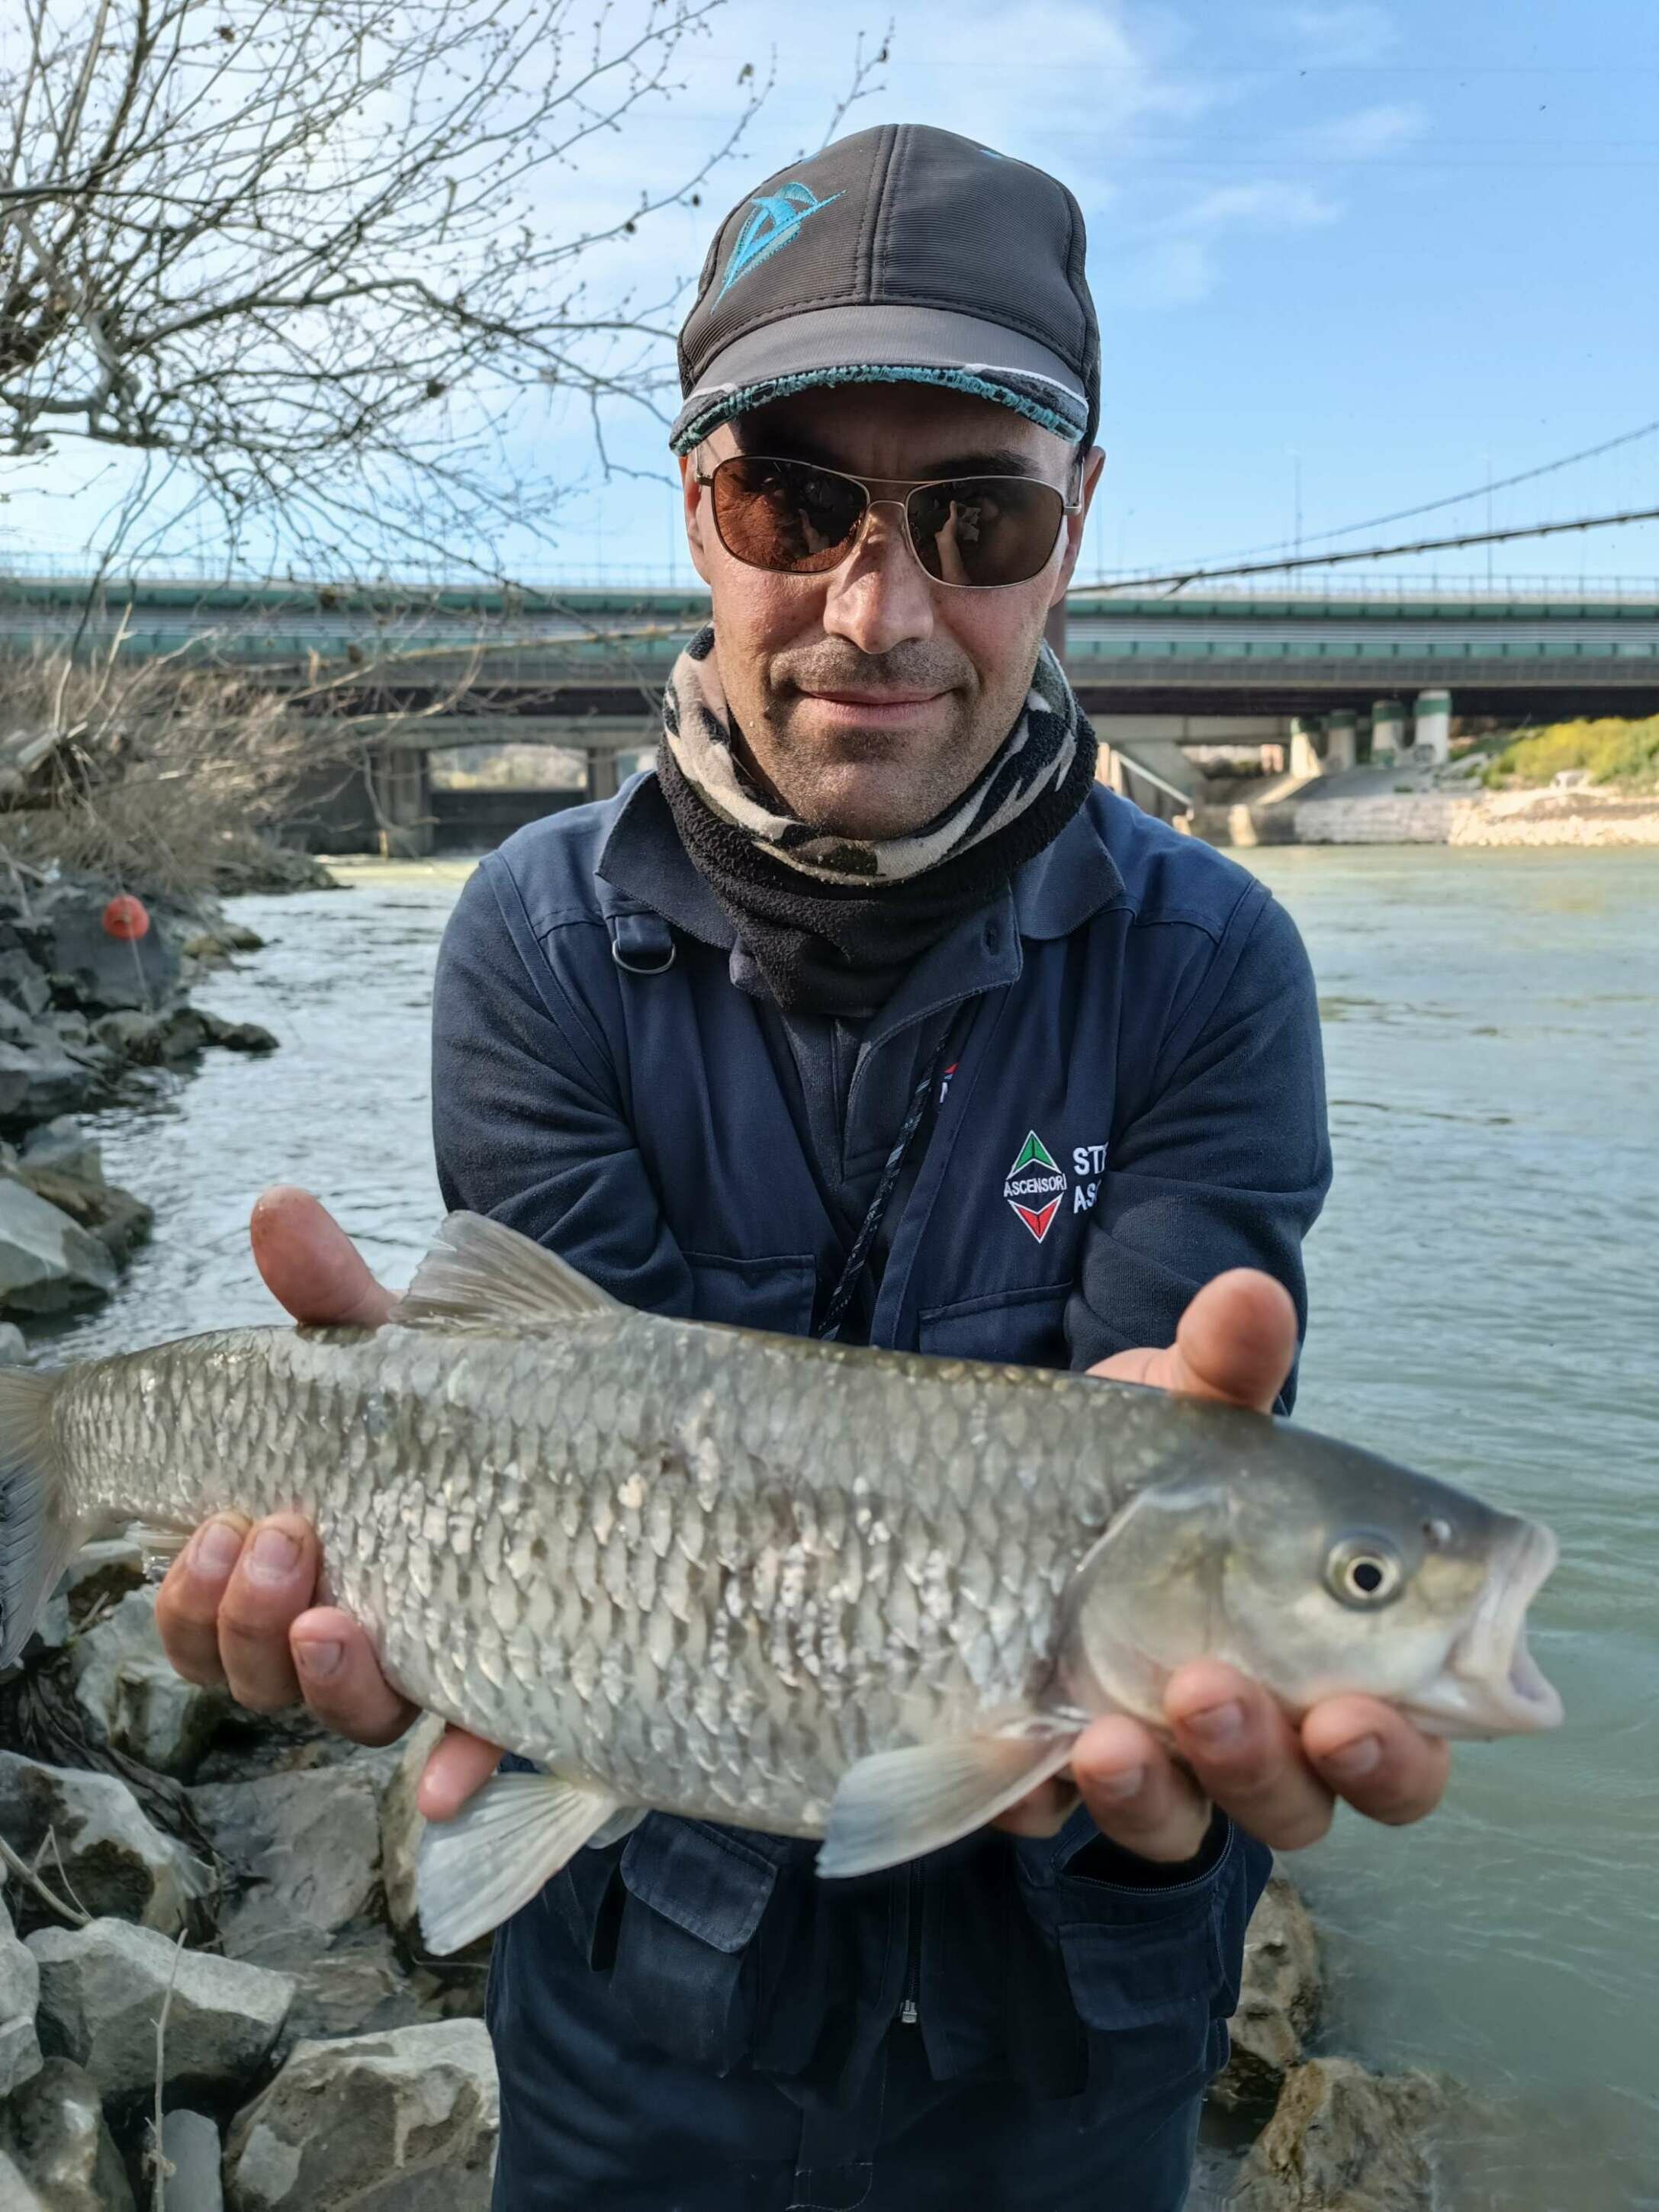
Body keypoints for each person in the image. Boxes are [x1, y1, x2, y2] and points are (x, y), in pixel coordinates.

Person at [156, 124, 1450, 2210]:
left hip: (1073, 2014)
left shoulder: (1221, 963)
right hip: (635, 2000)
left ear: (1075, 525)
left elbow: (1179, 1469)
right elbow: (616, 1444)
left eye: (980, 512)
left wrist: (1170, 1559)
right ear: (699, 509)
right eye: (796, 498)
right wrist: (412, 1502)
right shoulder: (534, 939)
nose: (882, 605)